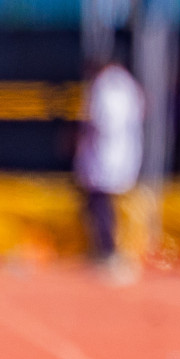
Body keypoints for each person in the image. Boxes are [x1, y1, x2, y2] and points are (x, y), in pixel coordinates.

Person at [74, 46, 145, 281]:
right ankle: (109, 251)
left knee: (102, 205)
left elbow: (97, 120)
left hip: (104, 152)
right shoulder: (127, 83)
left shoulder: (104, 84)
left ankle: (109, 252)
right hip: (123, 150)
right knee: (106, 203)